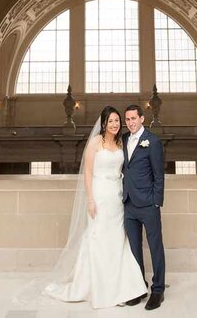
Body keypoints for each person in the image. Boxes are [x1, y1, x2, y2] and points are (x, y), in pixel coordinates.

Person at [44, 106, 148, 309]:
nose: (115, 124)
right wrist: (90, 199)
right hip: (99, 195)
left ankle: (121, 287)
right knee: (99, 238)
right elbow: (88, 172)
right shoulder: (94, 143)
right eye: (111, 121)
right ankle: (100, 288)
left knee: (117, 240)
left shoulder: (121, 142)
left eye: (117, 121)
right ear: (103, 124)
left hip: (117, 197)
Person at [122, 104, 166, 311]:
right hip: (128, 204)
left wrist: (156, 201)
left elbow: (159, 175)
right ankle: (140, 287)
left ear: (142, 118)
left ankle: (158, 290)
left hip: (148, 204)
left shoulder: (153, 141)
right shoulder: (123, 139)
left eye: (133, 118)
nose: (130, 122)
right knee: (134, 248)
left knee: (155, 247)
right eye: (127, 119)